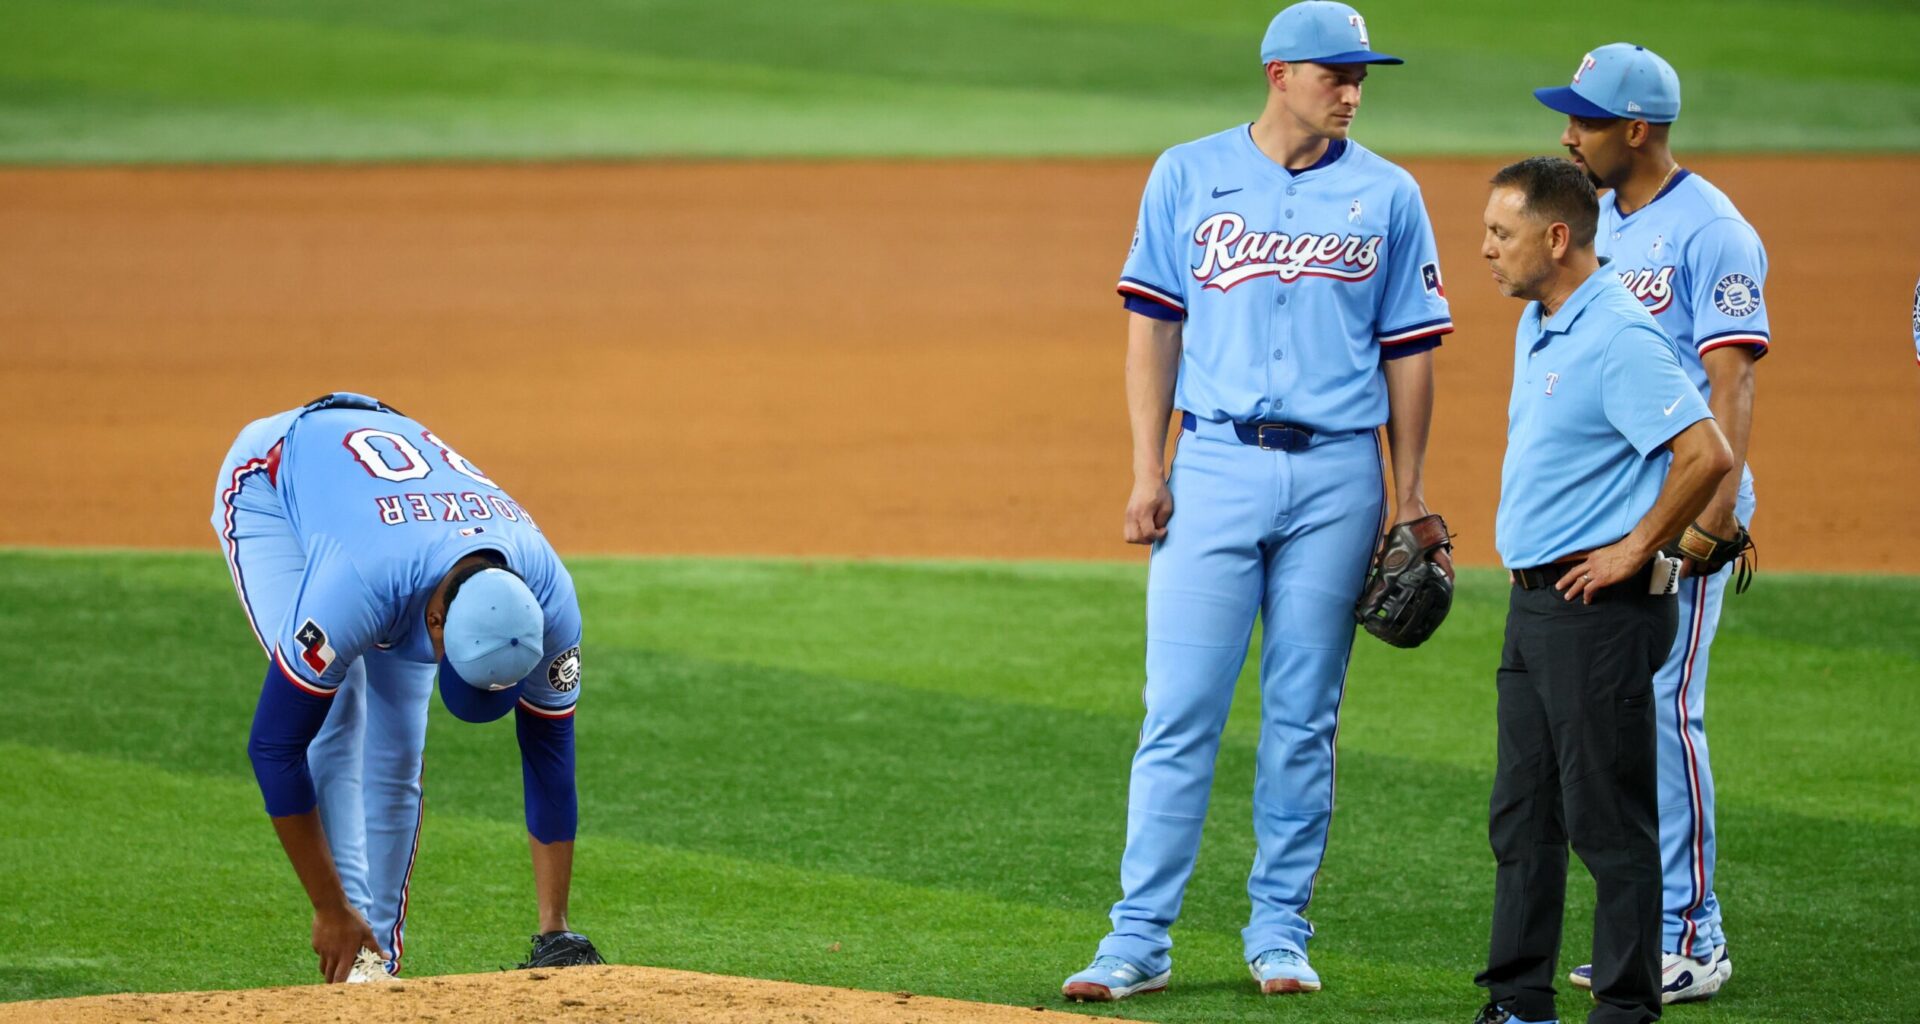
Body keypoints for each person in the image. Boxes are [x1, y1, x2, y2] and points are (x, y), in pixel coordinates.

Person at [1062, 0, 1454, 1001]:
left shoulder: (1391, 195)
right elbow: (1152, 328)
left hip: (1336, 480)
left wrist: (1407, 495)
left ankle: (1279, 929)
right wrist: (1150, 470)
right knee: (1179, 709)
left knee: (1302, 717)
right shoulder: (1187, 173)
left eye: (1362, 75)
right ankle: (1137, 938)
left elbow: (1411, 355)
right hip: (1216, 467)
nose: (1353, 90)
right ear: (1280, 72)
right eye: (1336, 73)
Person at [211, 392, 601, 983]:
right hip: (273, 485)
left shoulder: (550, 599)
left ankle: (378, 964)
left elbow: (550, 750)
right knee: (335, 712)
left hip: (397, 519)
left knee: (399, 748)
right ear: (437, 624)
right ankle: (353, 954)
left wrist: (555, 925)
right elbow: (274, 745)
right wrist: (328, 907)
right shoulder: (361, 587)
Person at [1473, 157, 1733, 1024]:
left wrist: (1632, 550)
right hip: (1534, 606)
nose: (1486, 249)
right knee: (1523, 818)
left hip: (1598, 612)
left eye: (1501, 234)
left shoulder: (1619, 332)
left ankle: (1625, 1012)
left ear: (1556, 238)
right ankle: (1518, 1002)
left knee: (1609, 825)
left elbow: (1706, 452)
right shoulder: (1543, 319)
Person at [1533, 43, 1767, 1002]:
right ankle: (1651, 931)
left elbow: (1733, 376)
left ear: (1636, 130)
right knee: (1621, 723)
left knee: (1668, 717)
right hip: (1613, 518)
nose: (1567, 133)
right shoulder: (1602, 224)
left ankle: (1695, 938)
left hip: (1683, 521)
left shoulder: (1713, 231)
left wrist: (1714, 513)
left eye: (1583, 120)